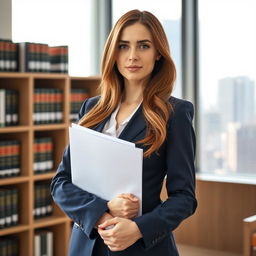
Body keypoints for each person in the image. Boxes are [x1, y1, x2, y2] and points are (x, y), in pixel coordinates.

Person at [51, 9, 197, 256]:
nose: (132, 56)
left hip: (141, 247)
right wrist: (103, 212)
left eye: (143, 46)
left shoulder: (175, 113)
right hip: (86, 245)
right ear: (113, 53)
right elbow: (61, 183)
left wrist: (139, 229)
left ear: (158, 53)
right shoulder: (92, 108)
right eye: (123, 46)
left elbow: (184, 198)